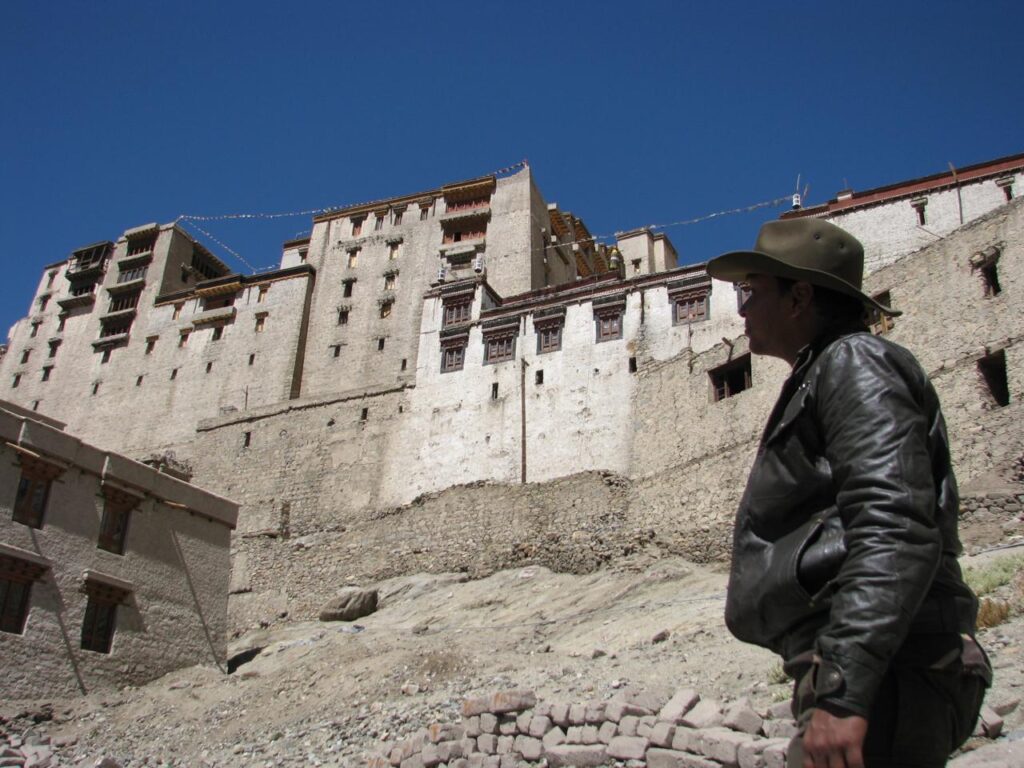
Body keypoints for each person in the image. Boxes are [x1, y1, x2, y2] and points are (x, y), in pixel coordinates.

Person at [705, 219, 990, 768]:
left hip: (886, 673)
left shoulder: (854, 362)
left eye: (751, 291)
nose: (740, 310)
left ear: (801, 297)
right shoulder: (827, 372)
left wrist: (842, 688)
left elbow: (894, 525)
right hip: (870, 667)